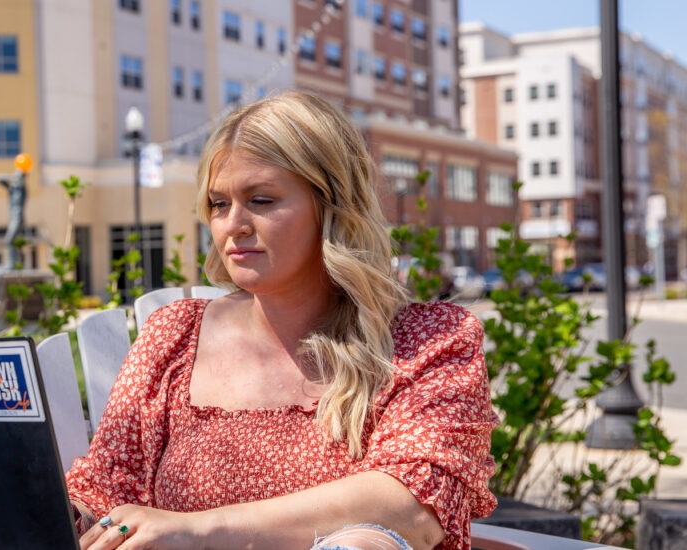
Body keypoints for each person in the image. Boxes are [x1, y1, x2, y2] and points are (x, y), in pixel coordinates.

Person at [65, 91, 497, 550]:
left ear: (332, 207)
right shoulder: (174, 335)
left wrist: (195, 529)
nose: (234, 224)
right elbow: (107, 487)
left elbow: (414, 505)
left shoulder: (428, 343)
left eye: (262, 200)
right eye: (217, 204)